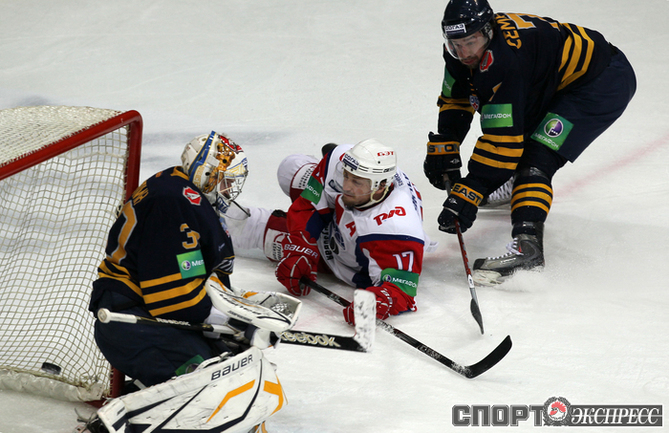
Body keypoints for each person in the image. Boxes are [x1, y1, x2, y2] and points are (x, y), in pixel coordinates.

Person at [86, 131, 300, 433]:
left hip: (153, 318)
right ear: (206, 172)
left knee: (236, 364)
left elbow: (195, 280)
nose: (229, 190)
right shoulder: (173, 202)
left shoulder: (182, 192)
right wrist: (235, 321)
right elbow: (172, 296)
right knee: (214, 383)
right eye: (226, 181)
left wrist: (242, 315)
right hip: (130, 320)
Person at [423, 0, 636, 285]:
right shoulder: (469, 52)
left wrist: (472, 188)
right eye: (455, 44)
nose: (463, 54)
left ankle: (529, 250)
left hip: (600, 82)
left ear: (488, 31)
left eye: (470, 43)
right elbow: (458, 97)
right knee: (520, 138)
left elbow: (504, 143)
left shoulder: (507, 60)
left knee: (536, 159)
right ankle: (512, 185)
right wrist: (446, 142)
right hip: (551, 80)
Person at [272, 139, 434, 324]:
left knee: (268, 233)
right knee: (291, 168)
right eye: (346, 176)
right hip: (339, 220)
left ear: (380, 185)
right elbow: (308, 205)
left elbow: (400, 290)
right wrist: (301, 246)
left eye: (356, 181)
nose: (346, 186)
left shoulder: (397, 228)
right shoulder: (340, 160)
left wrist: (376, 302)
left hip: (350, 258)